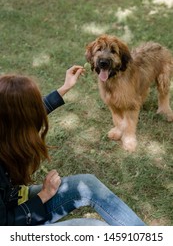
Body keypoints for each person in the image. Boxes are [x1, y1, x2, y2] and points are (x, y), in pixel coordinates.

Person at [0, 66, 145, 226]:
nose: (38, 112)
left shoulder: (5, 124)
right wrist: (44, 195)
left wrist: (65, 87)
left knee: (88, 184)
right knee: (94, 228)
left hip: (13, 201)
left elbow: (31, 113)